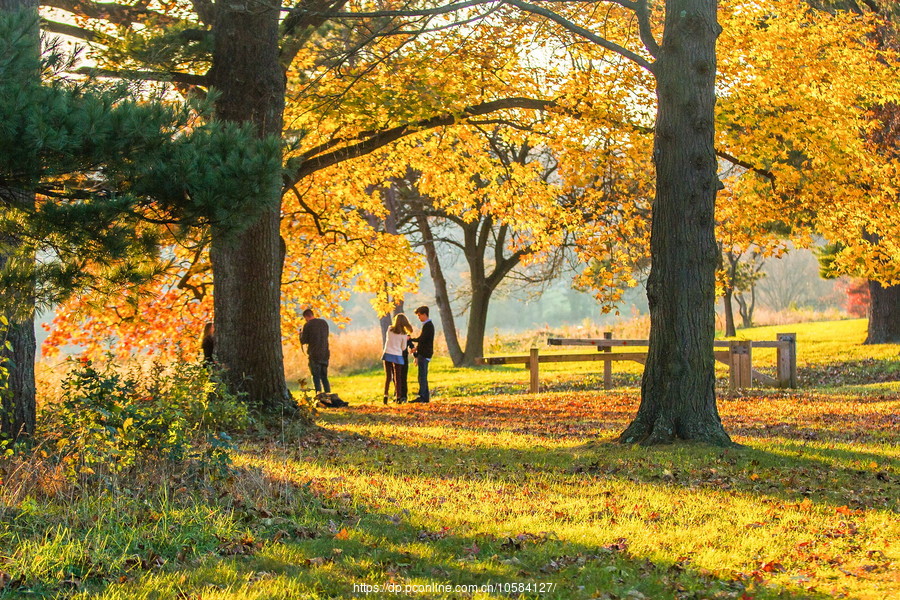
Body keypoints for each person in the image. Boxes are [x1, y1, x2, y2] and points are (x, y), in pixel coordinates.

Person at [382, 313, 413, 404]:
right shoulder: (403, 334)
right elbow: (403, 348)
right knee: (398, 377)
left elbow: (388, 339)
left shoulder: (389, 329)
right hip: (397, 356)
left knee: (388, 377)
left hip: (387, 354)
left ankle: (385, 396)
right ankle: (398, 397)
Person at [300, 308, 331, 397]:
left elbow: (304, 341)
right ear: (312, 314)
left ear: (306, 317)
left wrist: (301, 334)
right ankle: (329, 395)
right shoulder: (324, 323)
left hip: (314, 354)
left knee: (316, 377)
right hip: (325, 353)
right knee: (324, 377)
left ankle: (319, 396)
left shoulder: (308, 325)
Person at [410, 305, 434, 403]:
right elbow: (423, 341)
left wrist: (410, 339)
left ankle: (423, 397)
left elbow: (422, 339)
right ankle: (424, 397)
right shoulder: (427, 325)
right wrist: (417, 348)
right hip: (423, 353)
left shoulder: (428, 325)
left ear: (424, 314)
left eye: (419, 315)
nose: (419, 317)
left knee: (422, 376)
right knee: (422, 376)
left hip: (424, 354)